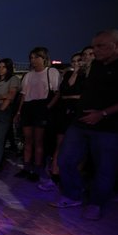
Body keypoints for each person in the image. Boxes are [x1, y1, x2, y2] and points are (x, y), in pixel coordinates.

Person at [53, 29, 118, 220]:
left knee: (105, 167)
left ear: (116, 45)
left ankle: (96, 203)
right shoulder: (96, 66)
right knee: (65, 159)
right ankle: (73, 194)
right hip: (81, 122)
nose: (94, 50)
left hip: (110, 126)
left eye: (100, 46)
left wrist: (103, 113)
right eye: (93, 46)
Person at [38, 52, 86, 191]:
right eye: (74, 61)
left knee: (80, 150)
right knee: (60, 145)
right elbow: (64, 92)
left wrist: (74, 96)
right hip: (64, 113)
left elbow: (84, 95)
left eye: (79, 61)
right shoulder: (69, 76)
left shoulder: (88, 76)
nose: (76, 63)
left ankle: (75, 182)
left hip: (79, 114)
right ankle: (55, 177)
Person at [14, 47, 60, 182]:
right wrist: (19, 111)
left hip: (42, 106)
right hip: (28, 107)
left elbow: (57, 92)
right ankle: (27, 167)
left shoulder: (51, 72)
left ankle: (37, 168)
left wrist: (47, 107)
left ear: (44, 58)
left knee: (39, 140)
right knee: (28, 140)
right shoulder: (28, 75)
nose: (33, 60)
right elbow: (23, 95)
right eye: (31, 58)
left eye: (36, 57)